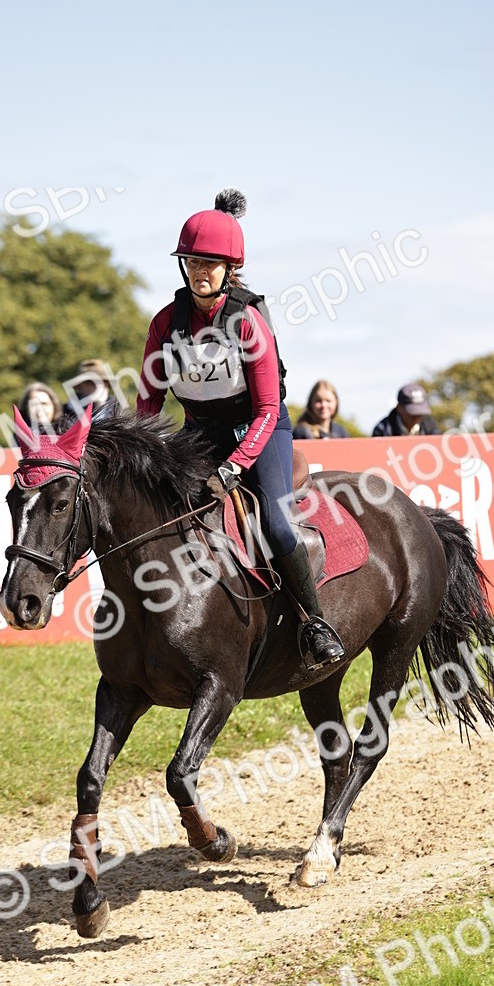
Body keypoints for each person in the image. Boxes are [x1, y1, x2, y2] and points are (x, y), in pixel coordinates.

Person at [136, 188, 345, 667]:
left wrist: (234, 468)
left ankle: (313, 624)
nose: (199, 272)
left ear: (230, 269)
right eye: (191, 261)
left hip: (262, 431)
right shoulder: (165, 324)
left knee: (273, 521)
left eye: (210, 263)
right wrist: (146, 457)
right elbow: (149, 402)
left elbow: (269, 407)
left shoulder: (249, 322)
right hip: (199, 433)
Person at [372, 383, 441, 437]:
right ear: (399, 408)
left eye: (420, 412)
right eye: (412, 412)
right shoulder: (383, 430)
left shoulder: (430, 427)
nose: (417, 417)